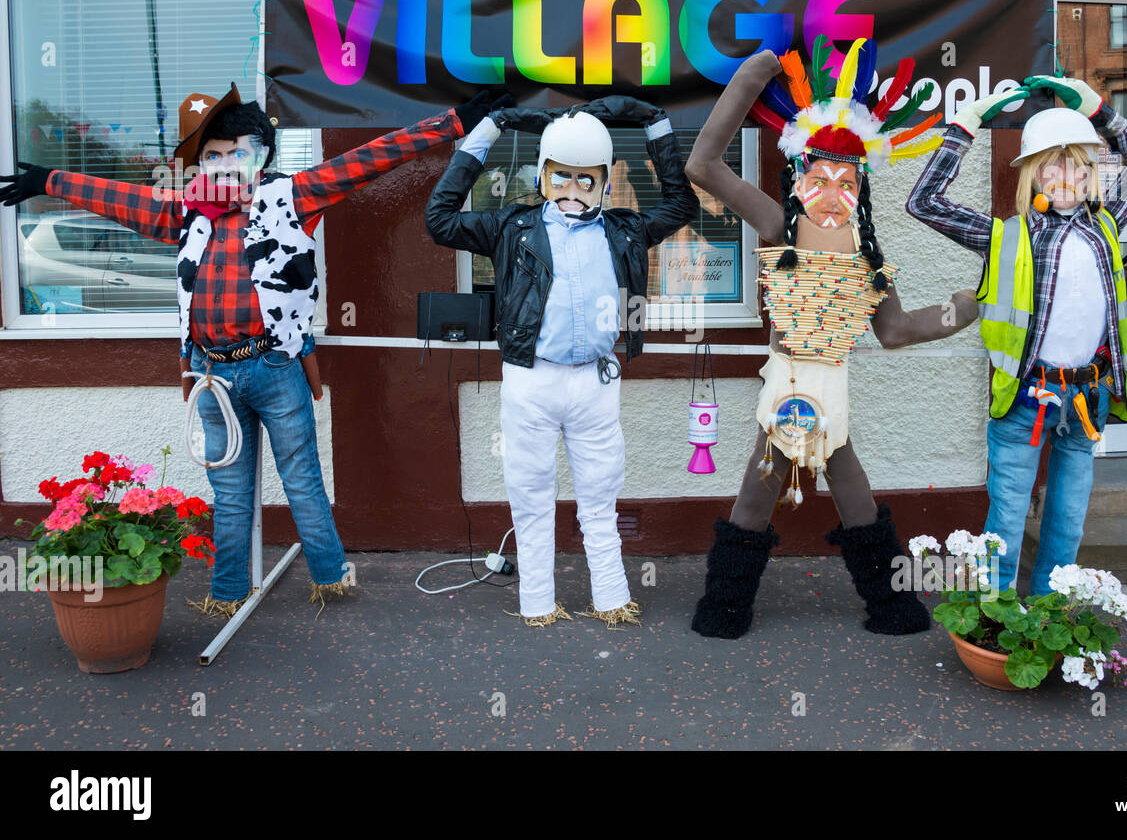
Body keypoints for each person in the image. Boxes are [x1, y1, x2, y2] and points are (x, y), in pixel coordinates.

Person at [1, 84, 501, 614]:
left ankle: (331, 577)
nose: (223, 162)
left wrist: (453, 123)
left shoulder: (292, 196)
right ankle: (227, 591)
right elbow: (124, 199)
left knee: (302, 479)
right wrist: (49, 180)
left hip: (274, 364)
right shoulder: (188, 212)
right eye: (212, 155)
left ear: (261, 154)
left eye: (235, 150)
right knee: (231, 491)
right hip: (212, 373)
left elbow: (368, 159)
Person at [685, 39, 980, 639]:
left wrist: (966, 307)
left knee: (856, 496)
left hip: (834, 385)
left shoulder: (868, 253)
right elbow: (704, 167)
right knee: (756, 492)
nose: (831, 194)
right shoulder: (776, 224)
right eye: (820, 179)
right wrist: (748, 79)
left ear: (862, 187)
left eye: (846, 183)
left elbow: (894, 329)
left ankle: (890, 604)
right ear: (798, 177)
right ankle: (725, 606)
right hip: (789, 383)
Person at [426, 96, 700, 627]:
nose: (573, 191)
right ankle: (537, 604)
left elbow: (682, 206)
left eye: (585, 180)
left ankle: (613, 598)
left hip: (596, 381)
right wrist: (491, 128)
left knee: (601, 495)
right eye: (562, 178)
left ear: (602, 180)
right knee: (530, 497)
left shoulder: (622, 230)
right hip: (531, 379)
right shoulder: (513, 227)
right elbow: (439, 220)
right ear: (544, 176)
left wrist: (657, 126)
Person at [906, 74, 1127, 595]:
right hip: (1026, 396)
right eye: (1053, 162)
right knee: (1006, 514)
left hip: (1087, 397)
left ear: (1091, 172)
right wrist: (966, 125)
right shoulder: (1004, 234)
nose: (1066, 174)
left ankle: (1050, 611)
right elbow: (925, 201)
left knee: (1068, 517)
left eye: (1077, 163)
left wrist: (1098, 110)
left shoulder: (1107, 224)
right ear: (1032, 173)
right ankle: (994, 611)